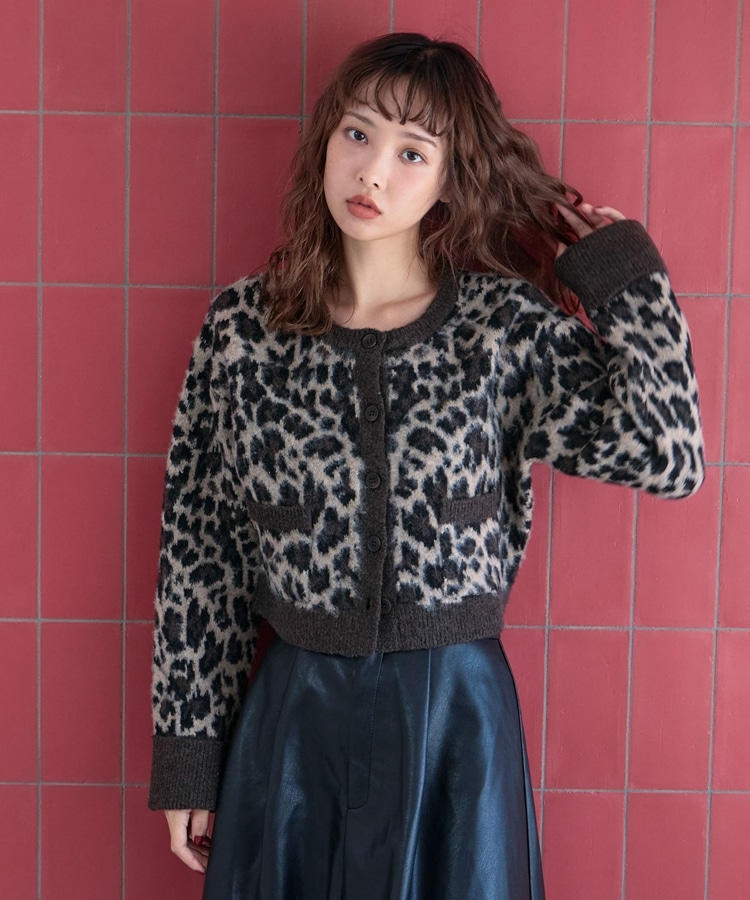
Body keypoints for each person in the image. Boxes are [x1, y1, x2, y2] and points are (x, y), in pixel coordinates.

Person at [148, 32, 704, 900]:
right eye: (358, 134)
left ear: (449, 178)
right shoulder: (244, 330)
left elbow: (669, 454)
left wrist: (623, 275)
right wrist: (190, 753)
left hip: (455, 724)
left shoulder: (501, 329)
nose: (373, 172)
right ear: (326, 140)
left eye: (412, 152)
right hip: (294, 722)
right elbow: (200, 550)